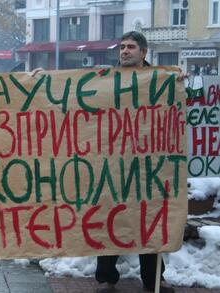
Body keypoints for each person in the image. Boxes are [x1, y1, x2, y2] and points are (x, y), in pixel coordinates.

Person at [94, 31, 175, 293]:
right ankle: (106, 278)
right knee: (111, 220)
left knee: (149, 220)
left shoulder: (162, 81)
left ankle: (153, 280)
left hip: (148, 167)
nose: (124, 51)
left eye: (131, 47)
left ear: (144, 52)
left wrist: (181, 84)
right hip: (114, 165)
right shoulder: (106, 80)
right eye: (122, 47)